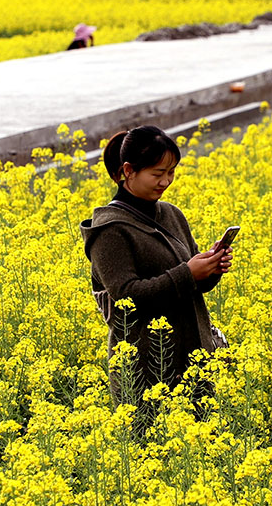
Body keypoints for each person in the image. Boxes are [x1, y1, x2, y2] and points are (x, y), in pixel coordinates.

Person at [80, 126, 233, 427]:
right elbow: (126, 296)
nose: (166, 181)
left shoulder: (172, 215)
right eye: (157, 173)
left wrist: (211, 269)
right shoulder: (110, 230)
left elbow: (191, 284)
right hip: (145, 368)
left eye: (172, 172)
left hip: (193, 358)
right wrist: (188, 272)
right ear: (128, 171)